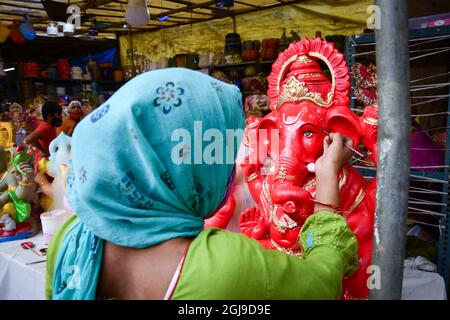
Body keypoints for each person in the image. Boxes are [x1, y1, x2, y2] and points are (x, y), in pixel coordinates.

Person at [45, 68, 358, 300]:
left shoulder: (70, 238)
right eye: (222, 148)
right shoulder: (223, 267)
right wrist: (328, 180)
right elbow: (323, 281)